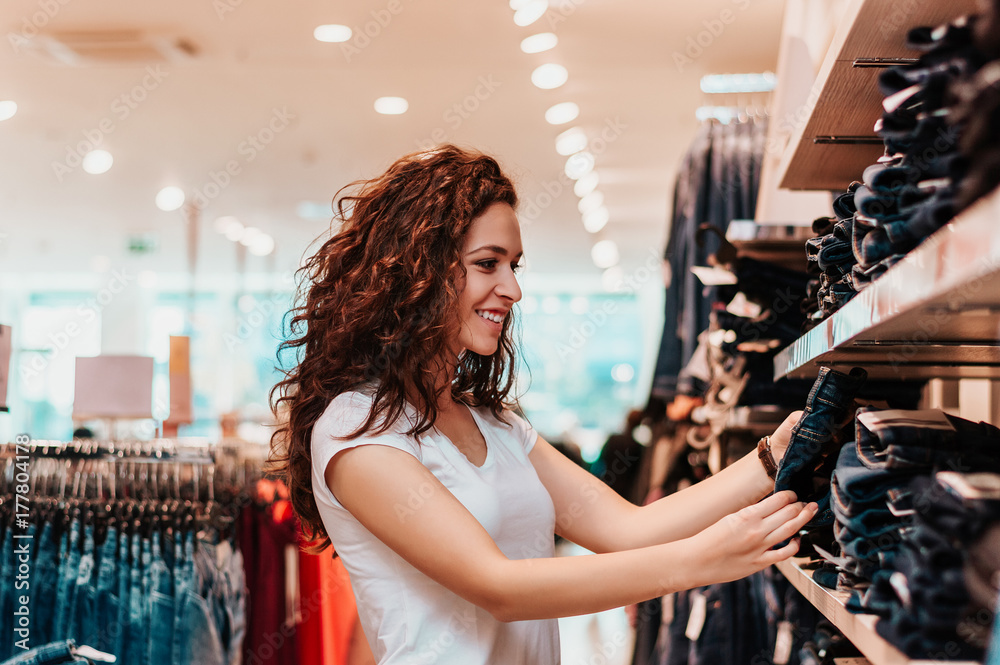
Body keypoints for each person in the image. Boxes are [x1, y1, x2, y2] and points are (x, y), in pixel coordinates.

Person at [268, 145, 816, 665]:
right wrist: (698, 563)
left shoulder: (496, 424)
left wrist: (777, 453)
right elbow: (499, 587)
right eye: (488, 264)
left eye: (514, 266)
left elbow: (628, 529)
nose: (512, 288)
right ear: (418, 273)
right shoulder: (356, 430)